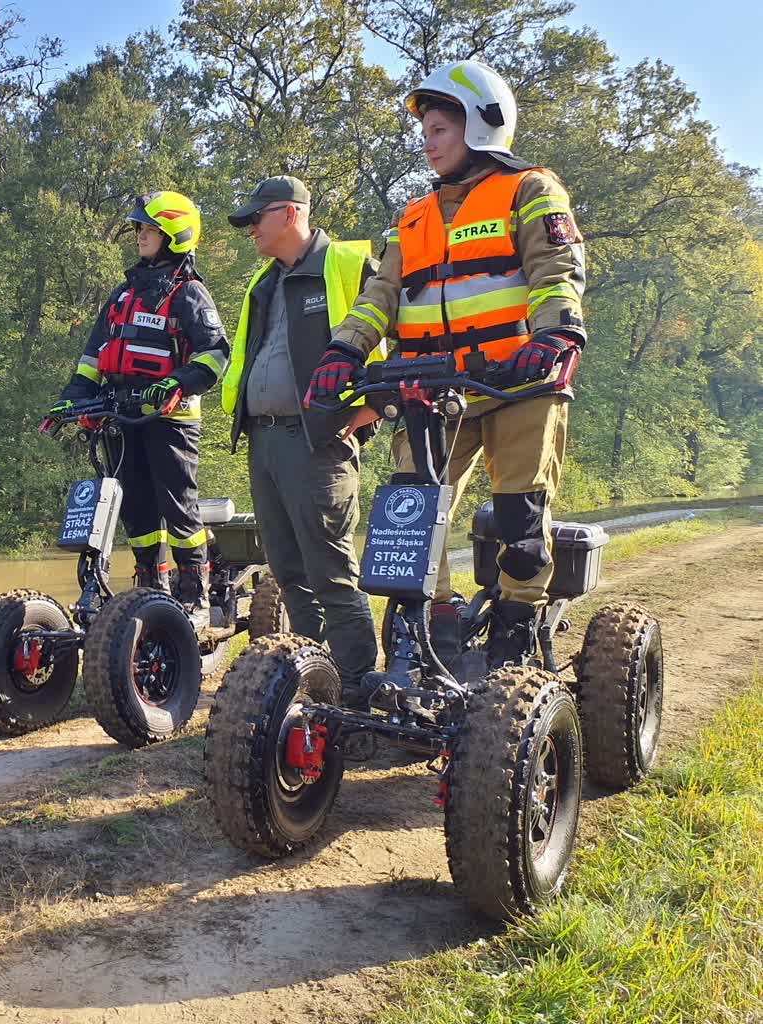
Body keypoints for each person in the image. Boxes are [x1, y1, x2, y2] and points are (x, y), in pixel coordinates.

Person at [309, 59, 588, 670]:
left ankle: (517, 631)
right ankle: (426, 626)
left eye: (440, 128)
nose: (428, 142)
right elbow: (379, 295)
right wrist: (343, 350)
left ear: (484, 123)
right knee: (409, 513)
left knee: (520, 515)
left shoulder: (530, 190)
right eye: (426, 131)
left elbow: (556, 271)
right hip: (435, 390)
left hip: (522, 378)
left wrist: (557, 332)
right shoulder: (412, 216)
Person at [222, 175, 385, 685]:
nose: (251, 228)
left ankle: (357, 687)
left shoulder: (348, 266)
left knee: (331, 574)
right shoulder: (263, 282)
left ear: (290, 213)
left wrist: (373, 410)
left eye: (258, 217)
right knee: (289, 572)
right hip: (265, 441)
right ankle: (310, 682)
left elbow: (404, 341)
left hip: (318, 443)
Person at [44, 190, 230, 628]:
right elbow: (92, 358)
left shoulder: (190, 294)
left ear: (174, 236)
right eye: (140, 228)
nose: (140, 235)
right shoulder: (122, 294)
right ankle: (150, 584)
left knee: (178, 504)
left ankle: (194, 593)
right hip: (121, 416)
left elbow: (215, 355)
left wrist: (174, 384)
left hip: (171, 419)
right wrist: (70, 399)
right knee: (138, 509)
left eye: (149, 229)